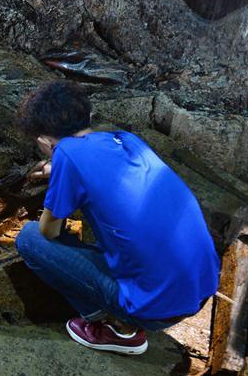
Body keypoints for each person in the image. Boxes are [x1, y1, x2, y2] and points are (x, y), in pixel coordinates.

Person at [14, 81, 220, 355]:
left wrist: (59, 175)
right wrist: (60, 171)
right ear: (87, 117)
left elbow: (48, 231)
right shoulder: (126, 140)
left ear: (43, 141)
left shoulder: (66, 153)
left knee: (28, 238)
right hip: (202, 288)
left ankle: (115, 327)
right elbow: (99, 168)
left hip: (155, 310)